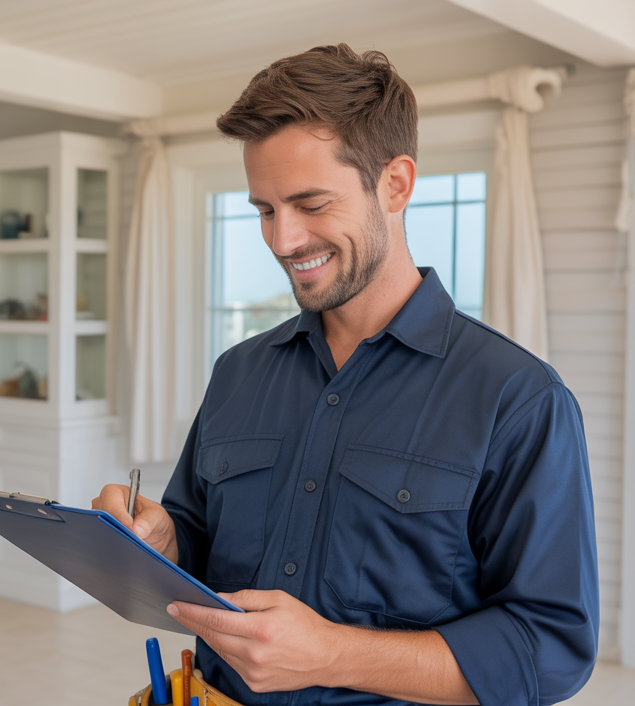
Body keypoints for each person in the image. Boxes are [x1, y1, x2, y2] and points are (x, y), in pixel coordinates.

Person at [94, 44, 598, 706]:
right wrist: (164, 540)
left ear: (395, 184)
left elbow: (550, 648)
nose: (282, 240)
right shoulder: (239, 372)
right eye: (265, 210)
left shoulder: (518, 399)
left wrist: (335, 654)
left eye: (309, 203)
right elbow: (198, 538)